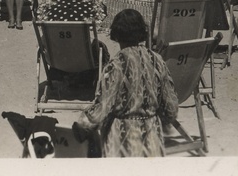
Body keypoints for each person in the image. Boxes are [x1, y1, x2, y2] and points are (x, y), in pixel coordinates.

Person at [73, 9, 179, 157]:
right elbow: (171, 106)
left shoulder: (116, 65)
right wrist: (161, 119)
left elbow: (102, 107)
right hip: (152, 139)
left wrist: (82, 126)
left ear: (116, 35)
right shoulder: (157, 60)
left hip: (121, 141)